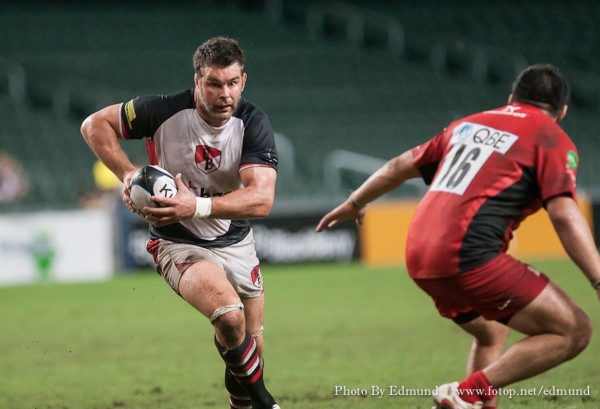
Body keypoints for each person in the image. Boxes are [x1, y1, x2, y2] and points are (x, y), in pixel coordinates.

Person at [317, 64, 600, 409]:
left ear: (511, 98)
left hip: (418, 254)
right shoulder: (550, 137)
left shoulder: (467, 125)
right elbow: (565, 215)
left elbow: (397, 167)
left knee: (492, 331)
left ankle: (472, 401)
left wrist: (355, 202)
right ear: (563, 112)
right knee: (574, 330)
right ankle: (465, 394)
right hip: (468, 255)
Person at [81, 37, 280, 409]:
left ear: (243, 81)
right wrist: (127, 173)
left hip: (236, 240)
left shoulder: (253, 123)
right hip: (177, 242)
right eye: (214, 84)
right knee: (229, 317)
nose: (225, 94)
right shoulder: (162, 111)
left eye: (232, 83)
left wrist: (196, 206)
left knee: (251, 348)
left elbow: (262, 199)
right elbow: (94, 125)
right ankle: (269, 404)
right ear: (197, 81)